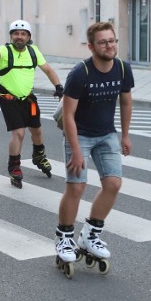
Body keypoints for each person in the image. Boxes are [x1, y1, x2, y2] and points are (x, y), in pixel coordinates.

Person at [54, 22, 134, 276]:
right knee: (76, 186)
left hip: (107, 134)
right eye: (103, 42)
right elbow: (68, 115)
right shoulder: (80, 74)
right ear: (91, 46)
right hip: (80, 133)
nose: (109, 46)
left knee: (113, 184)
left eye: (112, 40)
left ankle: (90, 235)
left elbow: (125, 102)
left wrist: (125, 135)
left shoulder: (122, 68)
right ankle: (64, 237)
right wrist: (76, 150)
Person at [0, 20, 63, 188]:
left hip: (28, 99)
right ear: (11, 36)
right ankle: (14, 167)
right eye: (16, 34)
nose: (19, 37)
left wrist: (58, 86)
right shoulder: (5, 51)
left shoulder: (33, 51)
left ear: (28, 37)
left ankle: (39, 156)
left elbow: (48, 69)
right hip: (8, 99)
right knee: (19, 133)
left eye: (23, 34)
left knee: (37, 130)